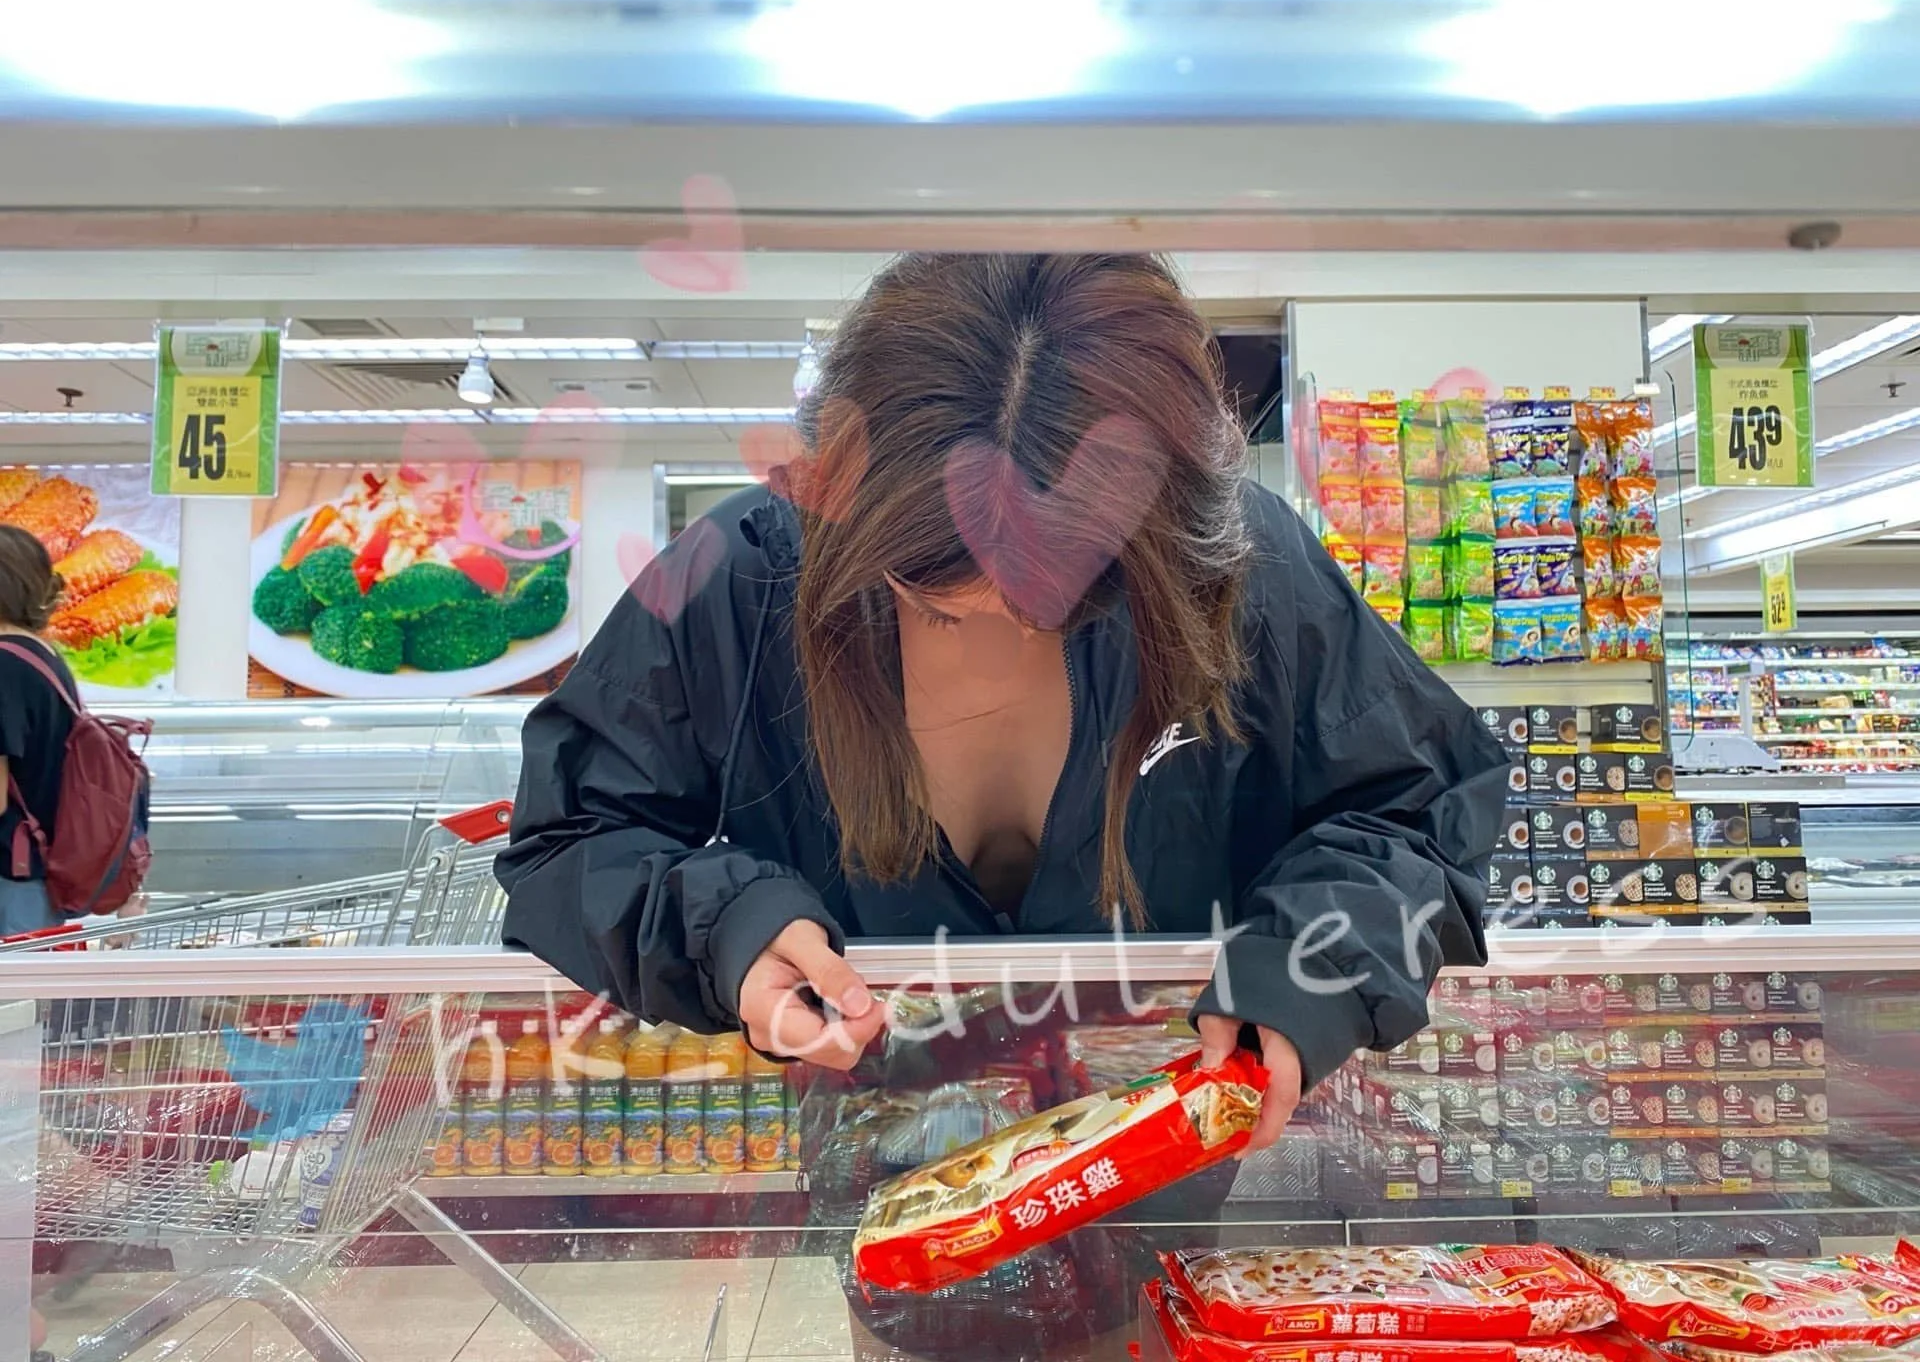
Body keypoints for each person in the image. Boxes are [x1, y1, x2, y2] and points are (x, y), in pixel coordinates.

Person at [500, 251, 1508, 1136]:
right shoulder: (738, 578)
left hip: (1181, 1154)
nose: (1011, 626)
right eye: (939, 597)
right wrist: (722, 926)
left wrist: (1313, 962)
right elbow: (573, 840)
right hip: (879, 1174)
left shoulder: (1245, 569)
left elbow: (1417, 806)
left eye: (1071, 592)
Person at [0, 523, 76, 938]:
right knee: (27, 999)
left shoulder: (3, 665)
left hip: (10, 876)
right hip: (39, 873)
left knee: (12, 999)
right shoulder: (43, 653)